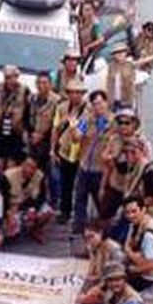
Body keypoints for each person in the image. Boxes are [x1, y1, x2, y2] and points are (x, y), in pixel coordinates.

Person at [63, 89, 114, 231]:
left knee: (101, 201)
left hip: (101, 169)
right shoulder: (87, 119)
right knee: (80, 198)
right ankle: (78, 227)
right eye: (95, 104)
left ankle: (105, 228)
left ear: (106, 103)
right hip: (85, 166)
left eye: (100, 103)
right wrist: (73, 128)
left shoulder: (113, 123)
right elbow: (76, 138)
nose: (98, 107)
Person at [50, 79, 87, 224]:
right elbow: (55, 128)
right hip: (64, 151)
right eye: (72, 92)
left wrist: (73, 127)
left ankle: (79, 215)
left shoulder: (88, 111)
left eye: (78, 92)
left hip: (80, 154)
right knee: (66, 183)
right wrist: (52, 150)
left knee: (81, 186)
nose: (75, 95)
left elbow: (80, 134)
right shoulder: (61, 108)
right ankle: (65, 211)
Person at [123, 196, 153, 292]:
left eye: (134, 211)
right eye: (127, 213)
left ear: (143, 210)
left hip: (145, 278)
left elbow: (151, 264)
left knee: (111, 279)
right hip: (139, 267)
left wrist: (130, 268)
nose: (130, 216)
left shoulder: (148, 235)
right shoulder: (139, 223)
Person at [0, 64, 31, 166]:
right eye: (7, 77)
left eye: (12, 77)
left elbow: (30, 109)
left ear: (17, 77)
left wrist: (24, 126)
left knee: (12, 161)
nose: (10, 80)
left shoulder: (24, 90)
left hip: (16, 130)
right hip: (0, 127)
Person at [3, 155, 55, 243]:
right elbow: (3, 198)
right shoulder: (8, 176)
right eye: (28, 166)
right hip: (11, 208)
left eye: (33, 168)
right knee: (11, 234)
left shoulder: (40, 176)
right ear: (22, 164)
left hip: (27, 205)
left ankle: (35, 229)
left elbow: (41, 198)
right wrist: (9, 214)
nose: (30, 170)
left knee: (48, 212)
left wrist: (33, 209)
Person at [78, 223, 124, 304]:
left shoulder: (113, 248)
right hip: (102, 278)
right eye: (87, 238)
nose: (89, 240)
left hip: (115, 280)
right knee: (83, 295)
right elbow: (92, 267)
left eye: (92, 236)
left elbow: (117, 273)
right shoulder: (91, 246)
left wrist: (100, 287)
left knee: (87, 299)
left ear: (101, 233)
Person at [27, 72, 58, 169]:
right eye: (39, 83)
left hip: (47, 141)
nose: (41, 86)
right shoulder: (32, 98)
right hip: (32, 138)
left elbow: (56, 124)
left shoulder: (57, 101)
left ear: (50, 84)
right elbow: (27, 117)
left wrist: (42, 136)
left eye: (44, 83)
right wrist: (31, 133)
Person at [104, 41, 137, 111]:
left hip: (126, 100)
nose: (120, 54)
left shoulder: (130, 65)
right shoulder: (111, 66)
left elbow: (133, 83)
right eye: (117, 52)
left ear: (126, 53)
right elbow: (108, 84)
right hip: (113, 100)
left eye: (122, 52)